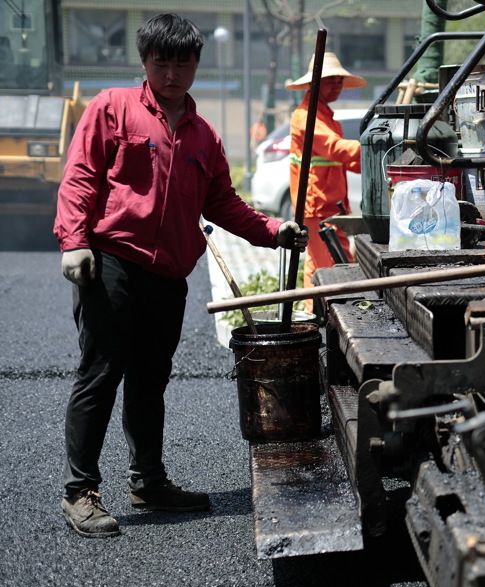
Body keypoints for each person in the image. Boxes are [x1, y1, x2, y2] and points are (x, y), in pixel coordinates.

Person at [53, 13, 308, 539]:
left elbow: (224, 204)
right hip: (112, 262)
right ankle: (80, 491)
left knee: (150, 380)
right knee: (101, 374)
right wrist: (74, 241)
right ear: (145, 62)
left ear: (195, 64)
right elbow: (80, 175)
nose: (172, 71)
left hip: (168, 275)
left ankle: (149, 482)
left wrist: (274, 230)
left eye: (182, 61)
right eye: (161, 61)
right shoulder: (112, 108)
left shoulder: (203, 135)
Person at [286, 52, 365, 293]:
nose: (337, 87)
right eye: (331, 81)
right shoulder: (306, 117)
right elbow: (335, 148)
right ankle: (320, 318)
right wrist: (373, 153)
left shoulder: (326, 117)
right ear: (313, 84)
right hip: (318, 206)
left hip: (331, 205)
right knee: (329, 271)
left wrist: (375, 166)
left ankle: (318, 317)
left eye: (339, 81)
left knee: (327, 267)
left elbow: (342, 161)